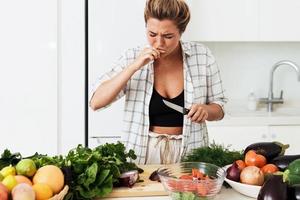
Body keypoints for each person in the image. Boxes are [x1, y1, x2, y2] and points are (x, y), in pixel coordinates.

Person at [90, 0, 227, 164]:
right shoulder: (132, 57)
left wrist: (206, 110)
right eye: (152, 34)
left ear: (181, 32)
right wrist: (134, 66)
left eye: (168, 36)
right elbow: (96, 102)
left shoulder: (202, 56)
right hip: (143, 154)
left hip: (190, 154)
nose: (159, 43)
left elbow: (219, 108)